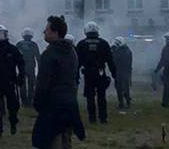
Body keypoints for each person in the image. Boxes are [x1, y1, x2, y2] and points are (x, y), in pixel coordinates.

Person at [31, 15, 85, 149]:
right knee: (66, 140)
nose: (44, 32)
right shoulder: (72, 51)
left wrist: (38, 103)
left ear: (55, 33)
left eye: (47, 29)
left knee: (50, 141)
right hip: (69, 104)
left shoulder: (49, 54)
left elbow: (43, 83)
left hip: (52, 107)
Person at [75, 22, 116, 124]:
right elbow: (110, 60)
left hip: (88, 74)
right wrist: (114, 74)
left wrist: (75, 75)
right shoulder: (104, 43)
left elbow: (77, 62)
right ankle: (103, 118)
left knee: (90, 97)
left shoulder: (81, 44)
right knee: (102, 97)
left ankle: (92, 119)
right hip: (101, 72)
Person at [16, 28, 41, 107]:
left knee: (22, 85)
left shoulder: (19, 44)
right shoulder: (34, 44)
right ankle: (30, 102)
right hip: (31, 67)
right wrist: (40, 68)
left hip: (21, 67)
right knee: (31, 85)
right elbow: (38, 57)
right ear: (31, 36)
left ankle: (24, 102)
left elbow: (15, 56)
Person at [111, 37, 133, 110]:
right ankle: (122, 103)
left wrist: (113, 51)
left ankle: (127, 102)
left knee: (124, 88)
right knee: (119, 88)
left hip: (124, 72)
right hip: (120, 71)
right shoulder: (124, 50)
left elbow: (117, 58)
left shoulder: (126, 51)